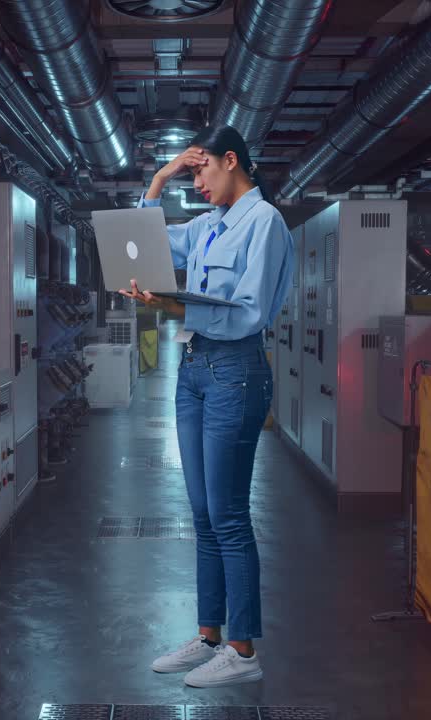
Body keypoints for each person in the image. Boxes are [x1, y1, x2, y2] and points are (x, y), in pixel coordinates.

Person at [119, 125, 294, 688]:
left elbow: (247, 312)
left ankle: (243, 653)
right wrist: (159, 178)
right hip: (195, 371)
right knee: (202, 515)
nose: (197, 183)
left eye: (201, 171)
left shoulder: (262, 223)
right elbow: (145, 245)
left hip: (234, 373)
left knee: (228, 516)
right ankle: (210, 635)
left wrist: (170, 305)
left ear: (231, 161)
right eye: (190, 174)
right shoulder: (209, 225)